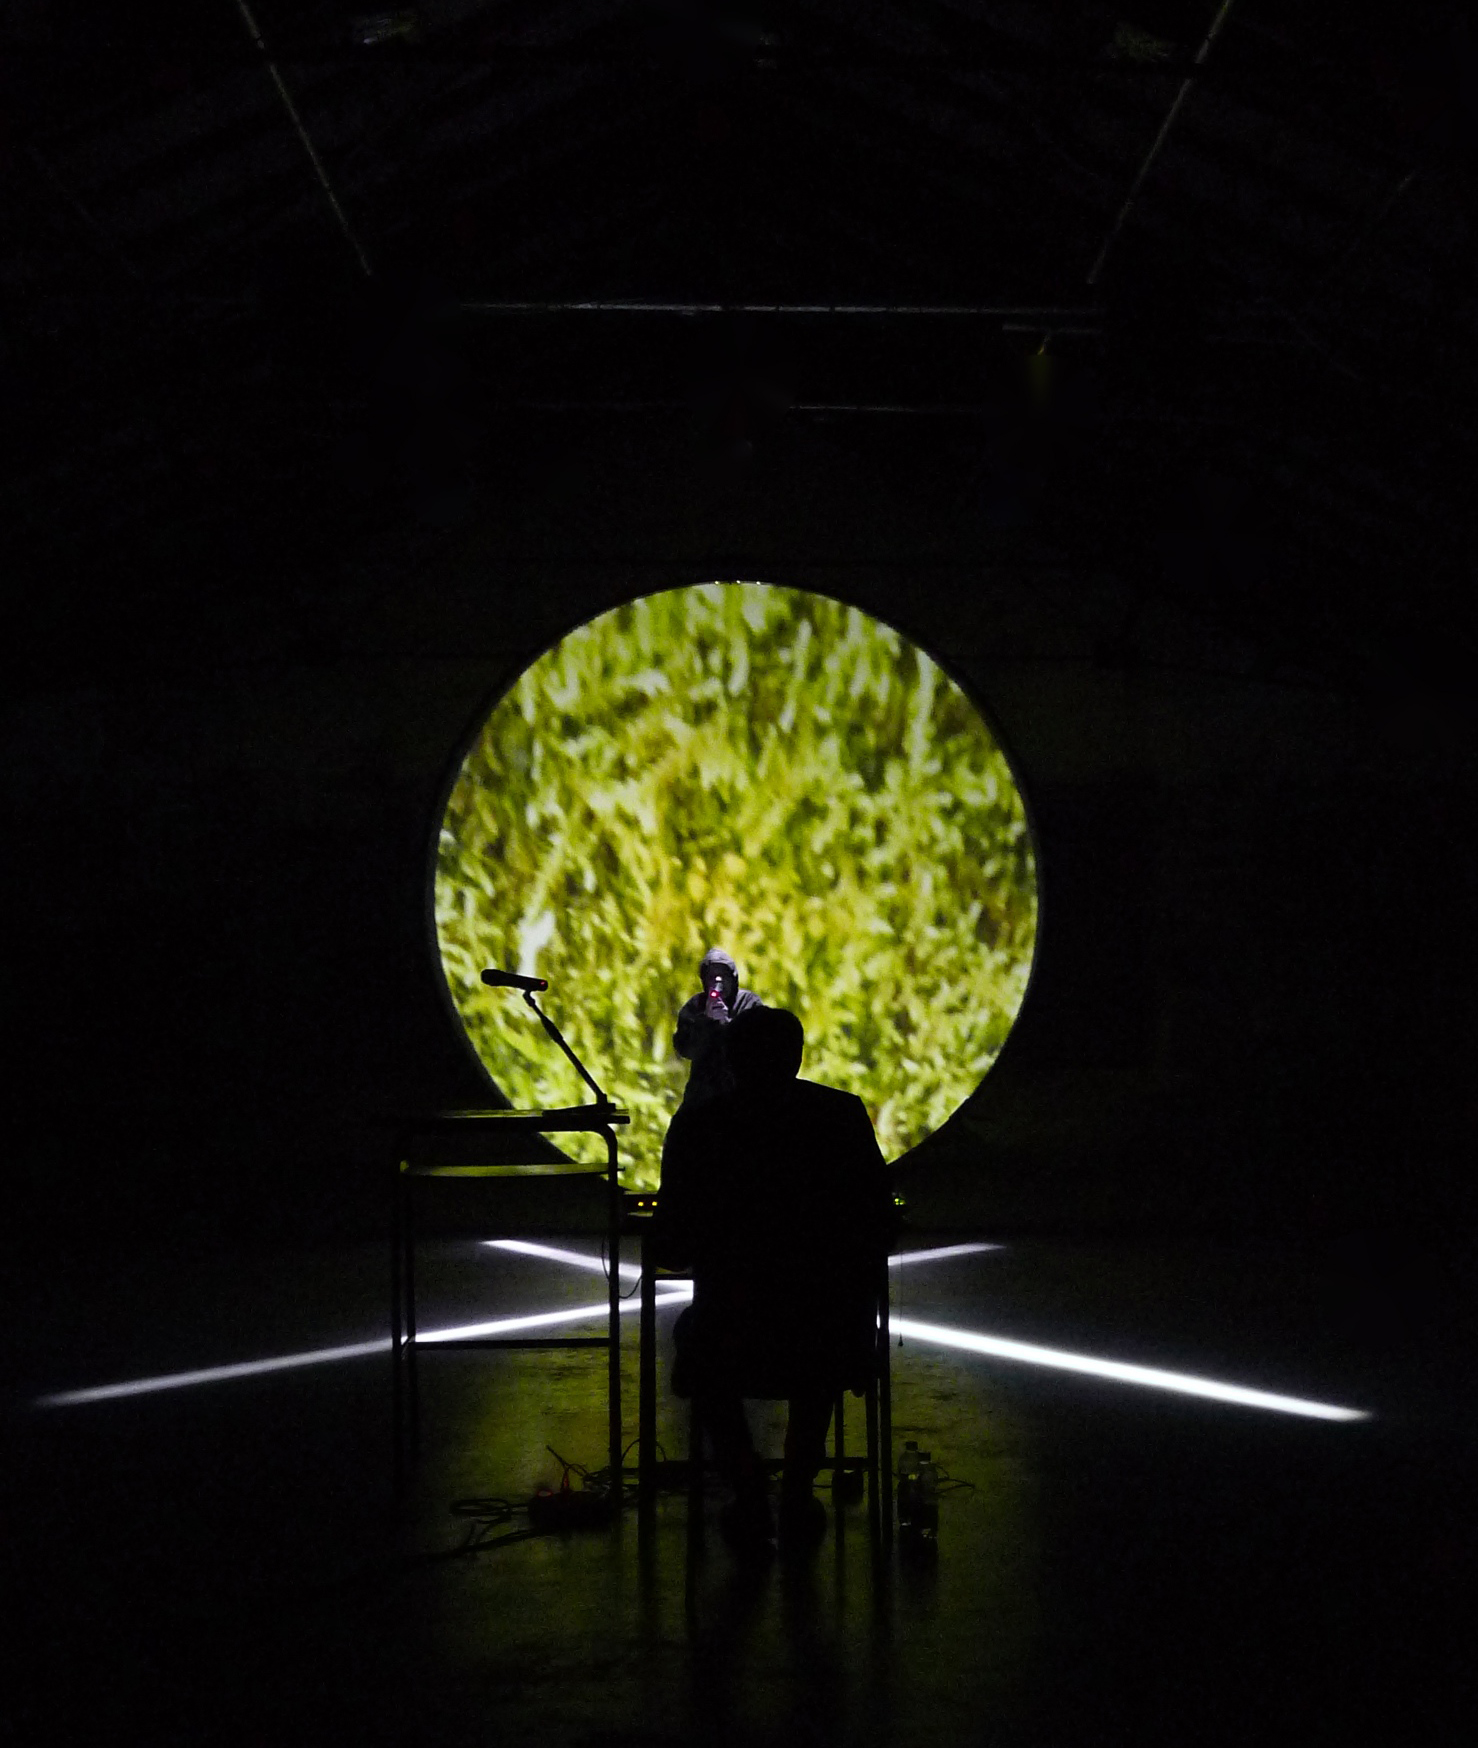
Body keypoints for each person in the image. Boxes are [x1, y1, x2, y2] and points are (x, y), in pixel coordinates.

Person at [654, 1006, 896, 1553]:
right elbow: (878, 1225)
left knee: (699, 1344)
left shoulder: (700, 1126)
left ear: (729, 1059)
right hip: (827, 1337)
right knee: (825, 1330)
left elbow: (671, 1248)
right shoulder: (840, 1115)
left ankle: (748, 1492)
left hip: (729, 1336)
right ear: (798, 1057)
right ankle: (796, 1491)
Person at [671, 947, 763, 1108]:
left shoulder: (749, 1002)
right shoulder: (695, 1005)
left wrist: (726, 1023)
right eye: (712, 976)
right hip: (703, 1093)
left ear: (732, 977)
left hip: (741, 1092)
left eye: (723, 975)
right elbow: (685, 1048)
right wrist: (706, 1021)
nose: (718, 981)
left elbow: (757, 1046)